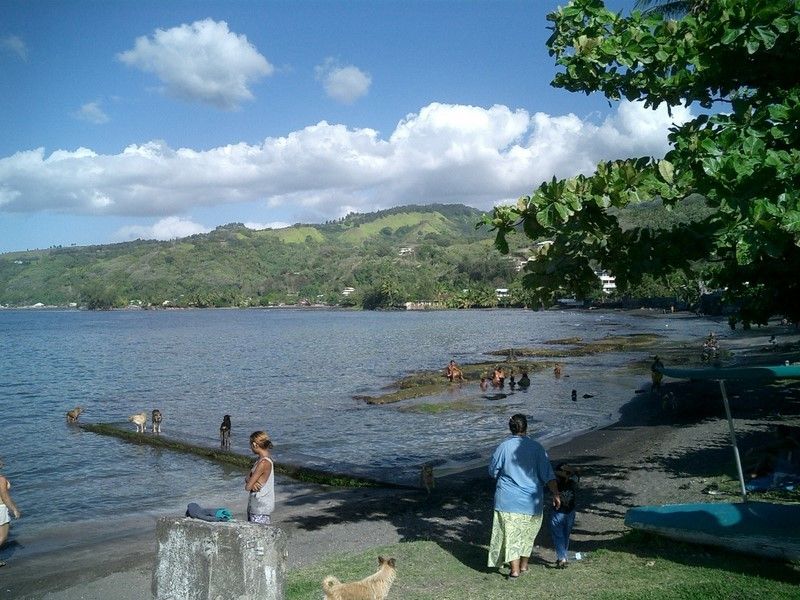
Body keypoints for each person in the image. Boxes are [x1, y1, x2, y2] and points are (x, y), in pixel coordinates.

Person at [488, 414, 560, 579]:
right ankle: (524, 565)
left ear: (510, 428)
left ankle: (514, 570)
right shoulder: (537, 447)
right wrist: (556, 493)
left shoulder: (503, 447)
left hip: (508, 499)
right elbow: (548, 474)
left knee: (512, 535)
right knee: (528, 534)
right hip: (532, 501)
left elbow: (492, 471)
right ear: (526, 428)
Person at [549, 463, 580, 568]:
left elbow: (577, 472)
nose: (565, 474)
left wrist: (570, 470)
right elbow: (550, 476)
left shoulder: (572, 480)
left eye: (567, 471)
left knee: (565, 535)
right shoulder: (554, 482)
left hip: (569, 512)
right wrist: (561, 472)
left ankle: (563, 556)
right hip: (557, 511)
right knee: (559, 535)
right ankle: (562, 557)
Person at [245, 431, 275, 524]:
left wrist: (250, 482)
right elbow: (247, 477)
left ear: (255, 445)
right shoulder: (261, 460)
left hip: (260, 506)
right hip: (259, 505)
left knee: (257, 530)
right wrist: (251, 482)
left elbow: (247, 487)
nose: (250, 447)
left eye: (250, 445)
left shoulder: (263, 463)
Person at [0, 457, 22, 567]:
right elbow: (5, 497)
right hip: (0, 509)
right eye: (0, 461)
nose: (2, 463)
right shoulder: (1, 479)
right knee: (2, 537)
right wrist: (14, 509)